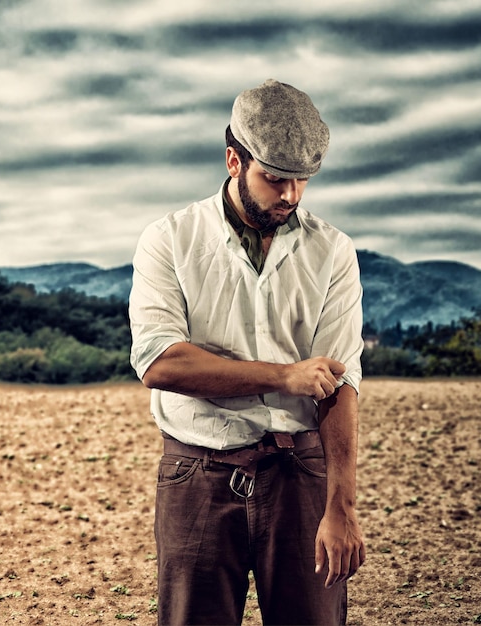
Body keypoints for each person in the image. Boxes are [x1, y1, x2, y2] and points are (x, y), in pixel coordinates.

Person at [129, 79, 365, 626]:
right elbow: (161, 362)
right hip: (197, 472)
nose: (290, 196)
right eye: (275, 179)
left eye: (302, 180)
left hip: (300, 471)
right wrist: (285, 376)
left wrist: (342, 507)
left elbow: (340, 382)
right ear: (234, 160)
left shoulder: (333, 252)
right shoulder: (169, 240)